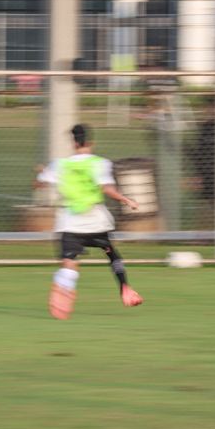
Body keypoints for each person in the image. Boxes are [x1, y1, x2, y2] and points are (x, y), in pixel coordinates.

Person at [35, 124, 144, 320]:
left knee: (69, 263)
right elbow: (107, 189)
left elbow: (39, 184)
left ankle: (64, 285)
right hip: (96, 221)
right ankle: (125, 288)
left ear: (74, 143)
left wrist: (41, 173)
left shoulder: (60, 165)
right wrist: (126, 200)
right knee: (111, 253)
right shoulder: (100, 163)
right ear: (91, 143)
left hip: (70, 223)